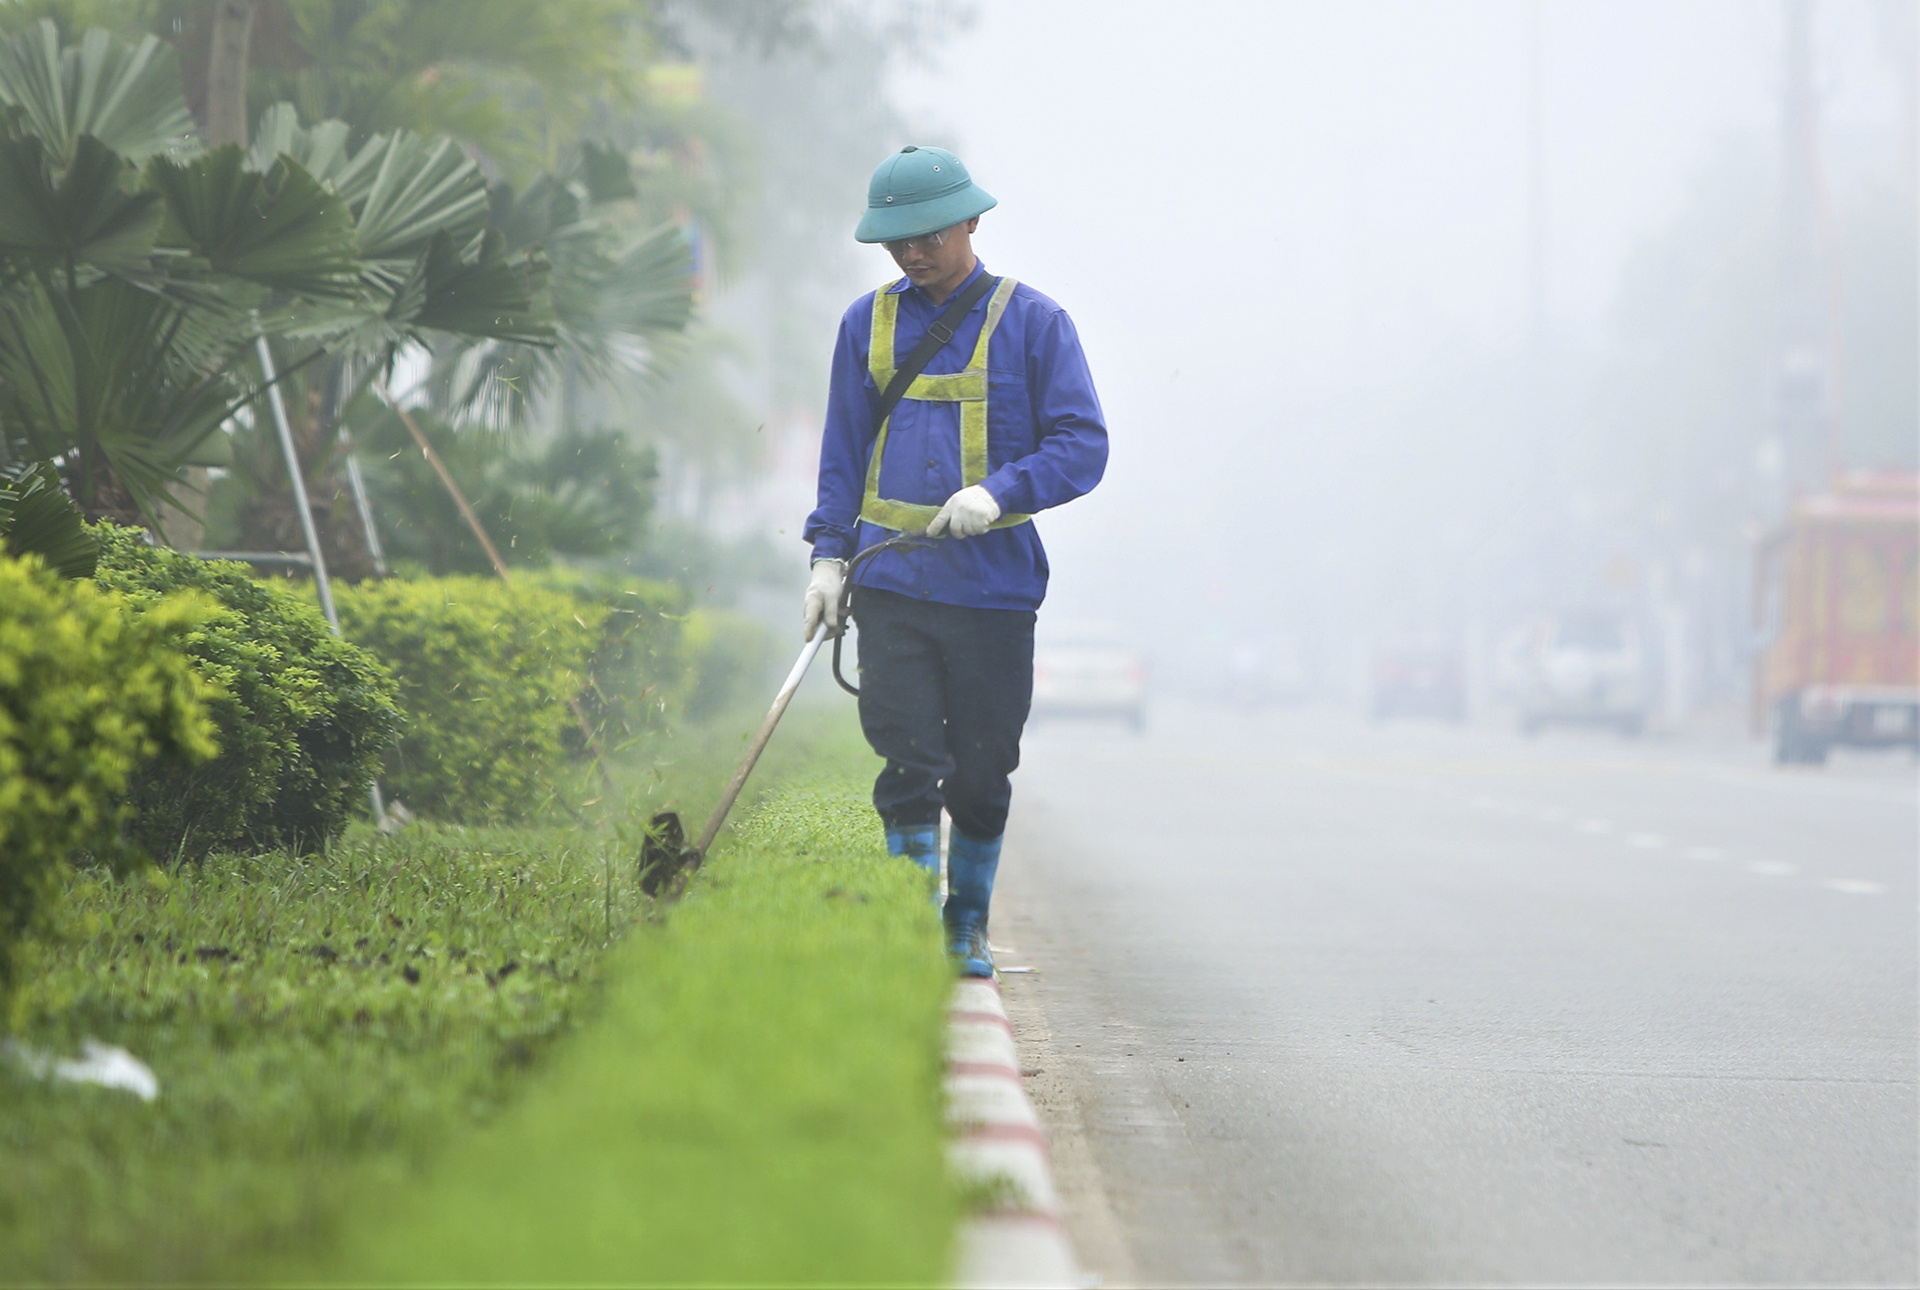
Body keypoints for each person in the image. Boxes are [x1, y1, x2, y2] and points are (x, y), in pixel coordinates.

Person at [801, 145, 1108, 977]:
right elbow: (843, 452)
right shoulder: (863, 325)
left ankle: (965, 923)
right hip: (892, 584)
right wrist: (828, 559)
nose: (913, 251)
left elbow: (1084, 445)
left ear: (972, 220)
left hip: (994, 593)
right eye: (898, 239)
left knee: (979, 773)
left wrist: (1002, 493)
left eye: (930, 234)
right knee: (906, 760)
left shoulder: (1035, 324)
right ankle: (910, 925)